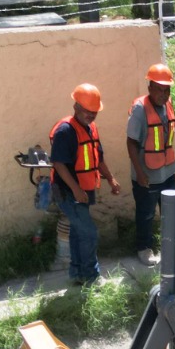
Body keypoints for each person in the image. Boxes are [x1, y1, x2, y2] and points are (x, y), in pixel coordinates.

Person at [50, 83, 121, 285]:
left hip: (84, 190)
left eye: (94, 112)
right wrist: (75, 189)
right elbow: (59, 164)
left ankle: (77, 274)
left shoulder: (91, 128)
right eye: (87, 111)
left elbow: (98, 158)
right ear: (76, 107)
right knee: (89, 232)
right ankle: (91, 275)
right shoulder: (65, 131)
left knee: (78, 232)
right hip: (68, 192)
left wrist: (110, 178)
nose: (91, 115)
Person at [127, 63, 175, 266]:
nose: (163, 94)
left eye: (167, 89)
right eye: (159, 89)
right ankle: (144, 248)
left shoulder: (168, 104)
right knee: (146, 213)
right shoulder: (140, 109)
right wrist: (139, 173)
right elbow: (131, 143)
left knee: (172, 211)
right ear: (150, 88)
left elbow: (167, 138)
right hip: (147, 174)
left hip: (167, 171)